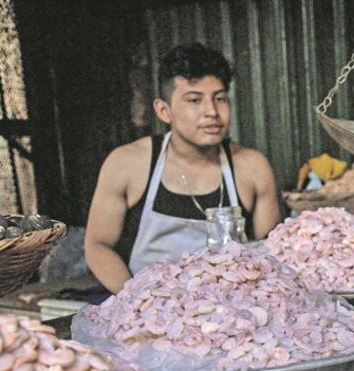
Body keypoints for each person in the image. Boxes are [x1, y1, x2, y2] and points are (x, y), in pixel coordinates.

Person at [85, 43, 280, 293]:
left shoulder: (252, 167)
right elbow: (98, 245)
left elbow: (270, 255)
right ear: (163, 110)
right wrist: (136, 300)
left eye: (219, 98)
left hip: (230, 313)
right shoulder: (127, 163)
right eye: (194, 100)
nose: (211, 112)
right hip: (147, 310)